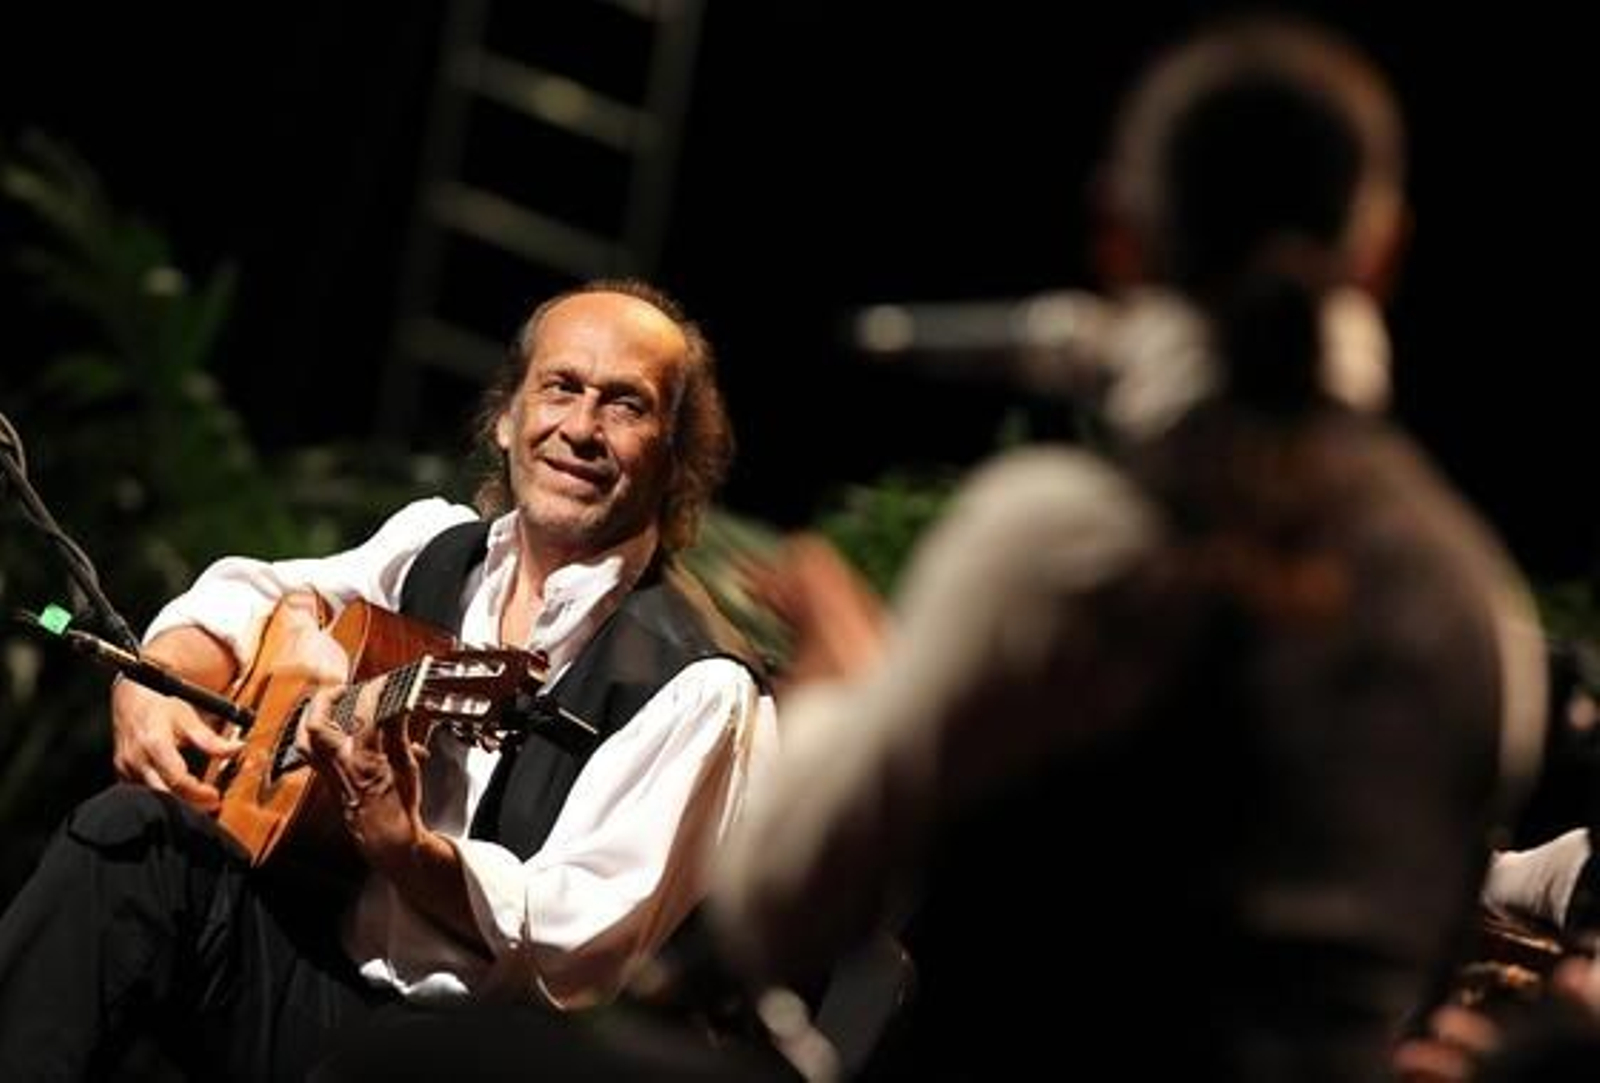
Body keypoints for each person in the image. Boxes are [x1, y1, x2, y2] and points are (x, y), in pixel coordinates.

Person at [705, 17, 1548, 1081]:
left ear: (1120, 235)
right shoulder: (1486, 612)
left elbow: (774, 909)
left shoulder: (1065, 542)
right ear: (1380, 256)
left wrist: (840, 692)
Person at [0, 278, 779, 1081]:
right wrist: (157, 678)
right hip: (317, 973)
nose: (580, 428)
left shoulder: (699, 685)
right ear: (508, 416)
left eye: (625, 405)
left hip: (472, 1053)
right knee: (130, 837)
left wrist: (407, 850)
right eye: (560, 387)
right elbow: (247, 593)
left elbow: (579, 947)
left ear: (675, 458)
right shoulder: (437, 548)